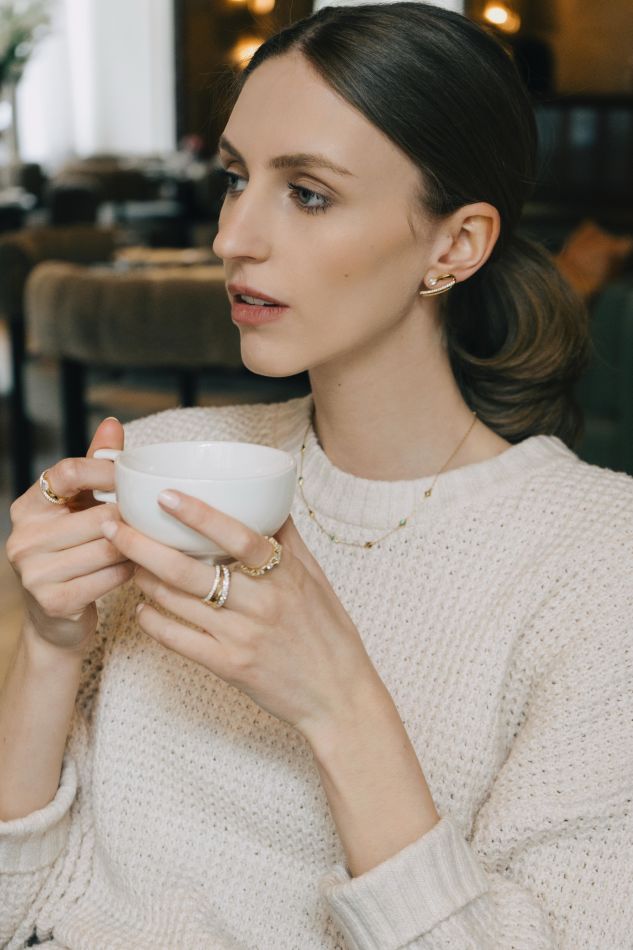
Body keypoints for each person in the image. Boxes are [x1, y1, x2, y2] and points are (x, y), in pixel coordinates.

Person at [2, 3, 632, 947]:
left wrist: (338, 703)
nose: (233, 237)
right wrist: (50, 646)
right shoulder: (164, 464)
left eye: (307, 193)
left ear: (455, 245)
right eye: (234, 179)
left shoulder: (598, 561)